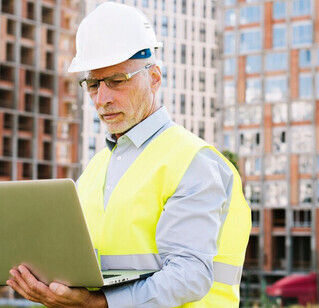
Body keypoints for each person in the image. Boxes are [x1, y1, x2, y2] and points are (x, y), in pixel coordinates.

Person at [7, 2, 251, 307]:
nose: (102, 99)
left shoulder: (194, 161)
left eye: (116, 81)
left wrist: (99, 304)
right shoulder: (95, 170)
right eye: (93, 84)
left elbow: (190, 275)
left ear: (154, 77)